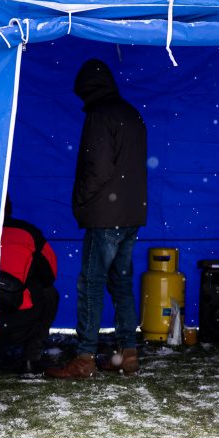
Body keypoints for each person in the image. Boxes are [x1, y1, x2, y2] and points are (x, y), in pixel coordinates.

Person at [46, 59, 147, 379]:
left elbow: (98, 169)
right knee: (121, 283)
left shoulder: (100, 116)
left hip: (105, 216)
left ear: (88, 89)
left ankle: (84, 357)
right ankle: (127, 353)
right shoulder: (131, 114)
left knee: (90, 285)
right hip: (131, 214)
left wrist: (81, 200)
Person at [0, 198, 59, 377]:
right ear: (10, 207)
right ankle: (30, 361)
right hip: (21, 319)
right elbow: (50, 275)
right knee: (49, 294)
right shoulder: (28, 232)